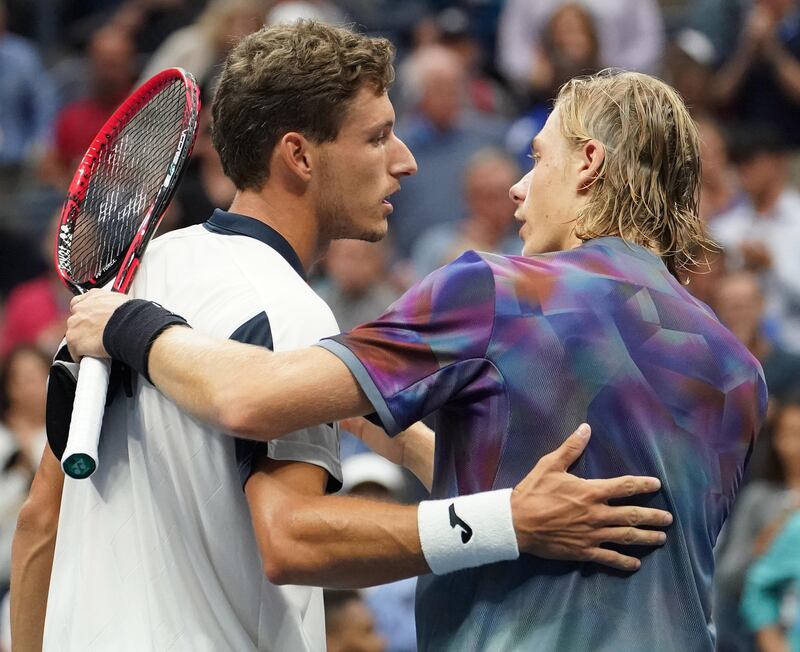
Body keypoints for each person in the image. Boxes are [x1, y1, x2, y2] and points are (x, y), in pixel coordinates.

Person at [13, 23, 672, 651]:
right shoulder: (285, 311)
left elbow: (41, 522)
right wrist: (509, 524)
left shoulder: (135, 281)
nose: (406, 162)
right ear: (299, 155)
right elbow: (294, 544)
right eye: (378, 137)